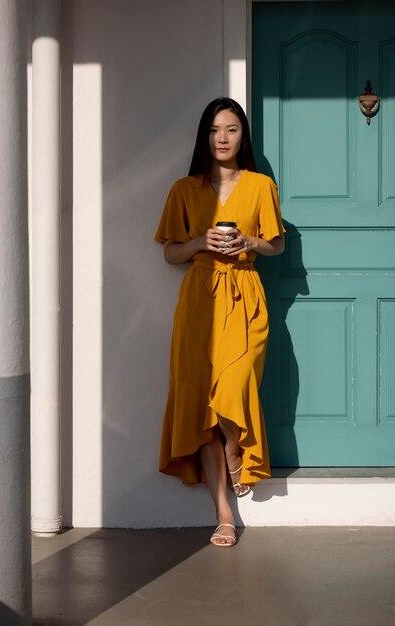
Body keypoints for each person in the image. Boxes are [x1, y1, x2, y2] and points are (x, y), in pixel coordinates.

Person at [154, 97, 285, 547]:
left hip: (246, 294)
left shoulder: (261, 185)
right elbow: (170, 252)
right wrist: (197, 242)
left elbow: (277, 246)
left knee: (233, 387)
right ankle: (224, 515)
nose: (223, 138)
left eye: (231, 130)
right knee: (201, 408)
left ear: (242, 135)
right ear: (204, 137)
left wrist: (250, 240)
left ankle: (235, 449)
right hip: (199, 301)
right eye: (214, 130)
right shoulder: (184, 189)